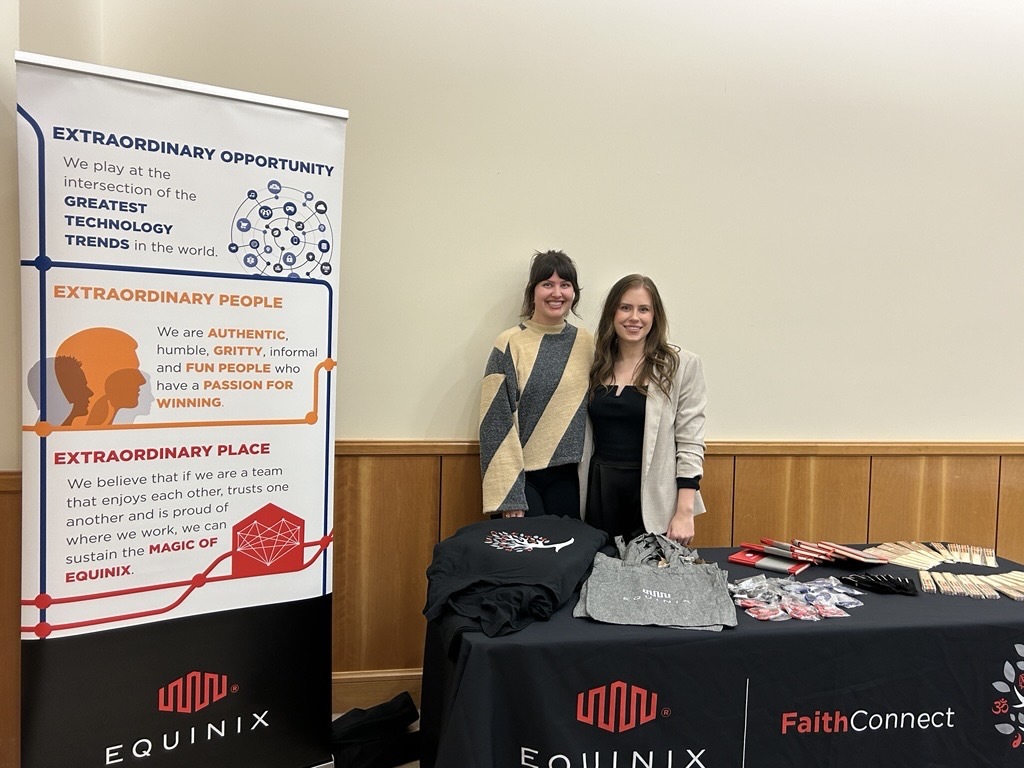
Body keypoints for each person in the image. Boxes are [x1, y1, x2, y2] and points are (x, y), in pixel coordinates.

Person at [581, 274, 707, 544]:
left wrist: (685, 512)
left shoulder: (681, 365)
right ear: (612, 313)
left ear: (655, 316)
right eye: (625, 307)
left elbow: (690, 441)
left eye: (643, 309)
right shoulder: (594, 363)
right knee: (599, 580)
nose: (633, 318)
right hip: (599, 493)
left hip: (653, 500)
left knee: (651, 583)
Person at [479, 250, 594, 519]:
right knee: (529, 557)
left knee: (567, 555)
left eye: (565, 285)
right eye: (547, 284)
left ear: (574, 293)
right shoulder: (509, 344)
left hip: (571, 477)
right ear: (533, 291)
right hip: (523, 480)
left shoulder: (588, 344)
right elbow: (495, 422)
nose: (557, 293)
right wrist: (509, 496)